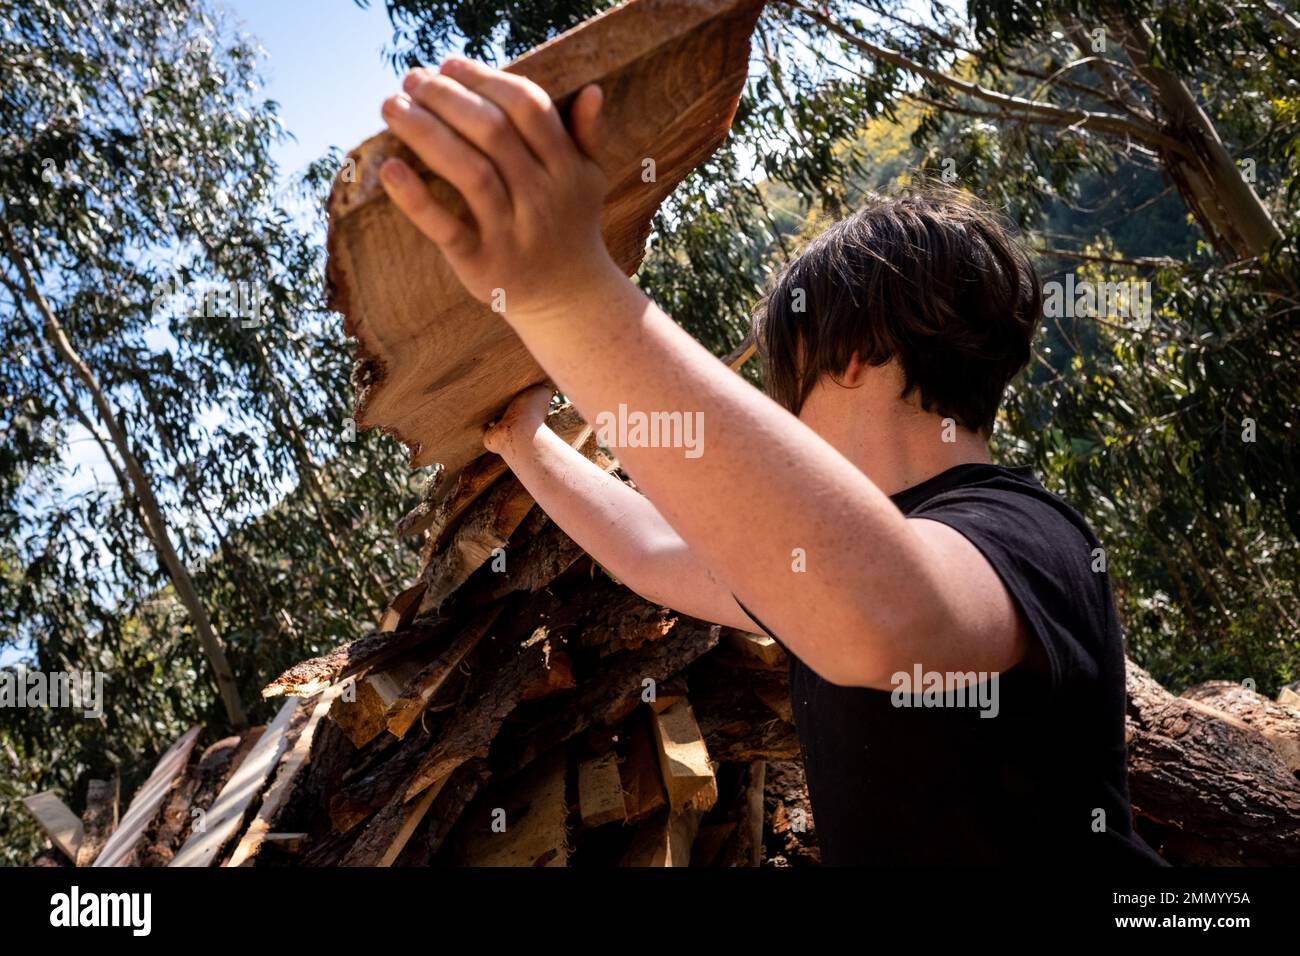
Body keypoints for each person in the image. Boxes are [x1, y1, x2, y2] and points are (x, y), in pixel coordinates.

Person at [376, 59, 1165, 865]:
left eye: (788, 379)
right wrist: (524, 444)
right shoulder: (824, 569)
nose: (783, 410)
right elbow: (652, 550)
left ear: (853, 354)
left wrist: (567, 293)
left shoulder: (1029, 536)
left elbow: (881, 619)